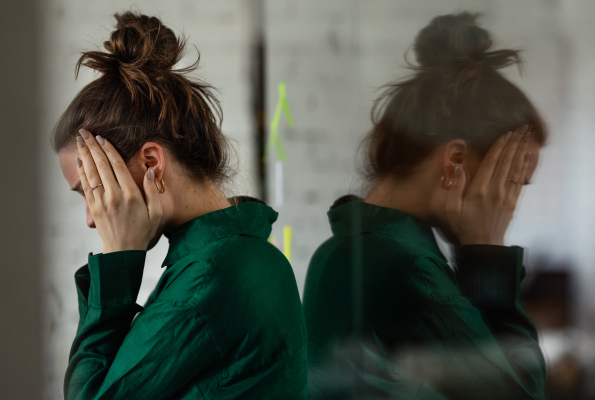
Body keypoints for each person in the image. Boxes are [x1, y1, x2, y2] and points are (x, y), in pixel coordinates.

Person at [53, 12, 307, 399]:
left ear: (152, 163)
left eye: (89, 190)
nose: (91, 217)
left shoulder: (213, 277)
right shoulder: (225, 260)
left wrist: (119, 254)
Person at [303, 13, 547, 400]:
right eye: (512, 181)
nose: (510, 204)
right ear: (455, 161)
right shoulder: (400, 263)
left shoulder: (353, 247)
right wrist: (488, 250)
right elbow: (524, 391)